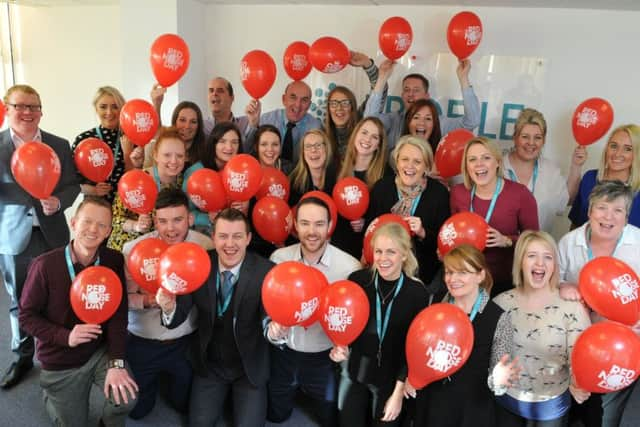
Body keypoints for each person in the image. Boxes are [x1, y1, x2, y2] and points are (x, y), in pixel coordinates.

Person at [19, 196, 138, 426]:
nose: (93, 229)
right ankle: (51, 397)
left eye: (102, 225)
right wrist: (66, 336)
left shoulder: (113, 260)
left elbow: (117, 315)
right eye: (87, 221)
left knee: (127, 400)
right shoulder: (44, 265)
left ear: (108, 232)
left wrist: (117, 363)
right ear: (73, 223)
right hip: (60, 360)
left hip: (98, 351)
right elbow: (26, 316)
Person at [156, 208, 274, 427]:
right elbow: (176, 318)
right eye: (223, 236)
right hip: (210, 365)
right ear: (213, 237)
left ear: (248, 239)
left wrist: (277, 331)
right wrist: (169, 307)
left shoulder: (266, 272)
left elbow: (271, 321)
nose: (230, 244)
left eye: (237, 236)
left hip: (248, 368)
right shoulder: (198, 265)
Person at [0, 84, 80, 389]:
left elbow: (72, 186)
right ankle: (22, 357)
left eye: (33, 106)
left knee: (59, 295)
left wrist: (59, 202)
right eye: (20, 106)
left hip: (52, 232)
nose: (27, 112)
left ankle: (58, 354)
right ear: (7, 109)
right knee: (19, 300)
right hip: (12, 236)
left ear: (41, 111)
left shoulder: (59, 144)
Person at [266, 196, 361, 427]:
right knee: (276, 416)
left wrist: (346, 347)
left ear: (330, 226)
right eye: (305, 223)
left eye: (319, 224)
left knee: (328, 420)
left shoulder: (349, 268)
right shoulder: (279, 260)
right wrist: (272, 330)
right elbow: (266, 310)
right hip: (284, 354)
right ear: (295, 225)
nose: (312, 231)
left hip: (324, 359)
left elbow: (354, 316)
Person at [122, 188, 213, 419]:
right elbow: (123, 299)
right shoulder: (133, 251)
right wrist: (147, 300)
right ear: (154, 220)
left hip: (184, 342)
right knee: (137, 411)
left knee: (183, 405)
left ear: (190, 219)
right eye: (162, 221)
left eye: (178, 220)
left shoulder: (205, 247)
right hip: (143, 341)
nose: (170, 229)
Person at [558, 180, 640, 427]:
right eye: (603, 208)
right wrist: (562, 285)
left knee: (607, 417)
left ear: (626, 218)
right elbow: (551, 280)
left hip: (624, 345)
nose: (609, 217)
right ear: (590, 211)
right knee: (571, 410)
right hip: (577, 343)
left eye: (618, 210)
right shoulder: (569, 243)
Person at [331, 222, 430, 426]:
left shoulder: (416, 293)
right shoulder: (358, 281)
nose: (383, 259)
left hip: (391, 379)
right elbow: (343, 322)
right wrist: (340, 346)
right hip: (354, 372)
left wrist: (398, 392)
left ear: (404, 254)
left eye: (391, 252)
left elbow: (414, 347)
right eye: (378, 251)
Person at [407, 244, 517, 427]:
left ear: (480, 275)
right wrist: (412, 376)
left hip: (470, 410)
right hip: (432, 402)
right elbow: (417, 346)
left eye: (462, 272)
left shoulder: (499, 318)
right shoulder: (433, 302)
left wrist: (500, 381)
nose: (453, 279)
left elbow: (498, 384)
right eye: (449, 272)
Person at [494, 230, 591, 426]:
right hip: (506, 399)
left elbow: (581, 356)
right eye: (532, 256)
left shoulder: (572, 307)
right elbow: (493, 353)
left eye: (547, 257)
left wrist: (578, 382)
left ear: (554, 265)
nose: (540, 263)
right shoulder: (500, 303)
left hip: (549, 404)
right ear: (520, 261)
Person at [450, 137, 539, 297]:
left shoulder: (520, 194)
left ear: (497, 162)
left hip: (503, 282)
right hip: (465, 280)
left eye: (486, 157)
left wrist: (506, 240)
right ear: (467, 166)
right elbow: (451, 234)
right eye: (472, 159)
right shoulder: (458, 193)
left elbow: (534, 240)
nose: (479, 164)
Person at [367, 135, 450, 285]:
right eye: (405, 159)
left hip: (423, 276)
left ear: (426, 167)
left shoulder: (439, 193)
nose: (409, 166)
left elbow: (444, 242)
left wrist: (422, 232)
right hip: (383, 272)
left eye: (417, 162)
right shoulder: (381, 188)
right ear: (397, 162)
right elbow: (369, 230)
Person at [364, 59, 481, 151]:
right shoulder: (393, 119)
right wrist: (382, 78)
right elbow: (369, 120)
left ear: (426, 96)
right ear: (402, 95)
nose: (411, 94)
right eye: (406, 89)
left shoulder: (440, 123)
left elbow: (472, 121)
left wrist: (463, 78)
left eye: (416, 90)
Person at [502, 108, 586, 233]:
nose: (531, 143)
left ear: (544, 140)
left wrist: (576, 166)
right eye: (525, 136)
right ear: (515, 137)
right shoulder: (497, 168)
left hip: (538, 250)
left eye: (537, 137)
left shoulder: (550, 170)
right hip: (501, 248)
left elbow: (566, 200)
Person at [107, 127, 186, 252]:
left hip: (161, 249)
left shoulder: (183, 182)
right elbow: (114, 219)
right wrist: (136, 226)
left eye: (179, 156)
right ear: (155, 155)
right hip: (127, 248)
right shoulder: (137, 180)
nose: (174, 161)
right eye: (167, 155)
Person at [332, 117, 389, 258]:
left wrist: (366, 221)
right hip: (337, 245)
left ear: (379, 145)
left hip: (367, 248)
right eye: (364, 133)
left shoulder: (386, 175)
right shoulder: (337, 166)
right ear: (355, 134)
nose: (367, 139)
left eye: (374, 137)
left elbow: (386, 215)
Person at [569, 124, 640, 228]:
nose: (618, 154)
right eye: (614, 146)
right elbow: (576, 225)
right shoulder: (589, 178)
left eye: (628, 149)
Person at [182, 122, 246, 235]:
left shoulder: (240, 173)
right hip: (201, 234)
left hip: (231, 233)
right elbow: (184, 212)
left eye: (234, 142)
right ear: (213, 144)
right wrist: (207, 218)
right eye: (222, 141)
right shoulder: (196, 172)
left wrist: (242, 209)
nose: (229, 147)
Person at [72, 86, 130, 202]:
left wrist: (127, 154)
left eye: (115, 107)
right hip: (94, 206)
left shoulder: (130, 138)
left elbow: (136, 178)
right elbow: (71, 181)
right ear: (96, 109)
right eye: (103, 107)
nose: (109, 112)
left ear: (122, 109)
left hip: (124, 206)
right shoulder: (83, 140)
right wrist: (93, 190)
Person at [324, 51, 384, 162]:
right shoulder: (322, 134)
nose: (339, 108)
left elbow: (380, 91)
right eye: (334, 103)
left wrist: (368, 65)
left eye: (345, 103)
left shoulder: (363, 121)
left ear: (352, 107)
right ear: (328, 108)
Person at [245, 80, 322, 163]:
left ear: (309, 105)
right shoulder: (266, 120)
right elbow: (247, 152)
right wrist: (253, 124)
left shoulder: (316, 127)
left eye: (304, 100)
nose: (298, 105)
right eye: (293, 97)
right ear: (284, 99)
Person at [150, 77, 249, 140]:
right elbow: (159, 135)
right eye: (211, 91)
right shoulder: (198, 125)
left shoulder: (246, 123)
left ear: (232, 98)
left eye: (220, 90)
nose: (214, 94)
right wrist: (157, 105)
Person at [143, 100, 207, 170]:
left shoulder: (206, 152)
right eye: (182, 120)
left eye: (193, 122)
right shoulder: (153, 148)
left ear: (199, 126)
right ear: (175, 122)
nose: (187, 126)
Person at [288, 129, 338, 207]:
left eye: (318, 145)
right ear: (303, 153)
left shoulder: (339, 176)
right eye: (308, 146)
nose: (313, 150)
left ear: (326, 149)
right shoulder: (294, 182)